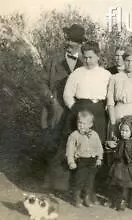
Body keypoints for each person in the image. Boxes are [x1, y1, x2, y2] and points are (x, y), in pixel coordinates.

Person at [41, 23, 86, 191]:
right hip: (56, 110)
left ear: (80, 43)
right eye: (67, 39)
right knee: (53, 145)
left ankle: (67, 186)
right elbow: (41, 84)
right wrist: (51, 99)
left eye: (72, 40)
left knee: (72, 146)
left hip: (75, 111)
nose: (68, 42)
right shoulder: (53, 60)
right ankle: (49, 184)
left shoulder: (85, 62)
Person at [63, 40, 111, 143]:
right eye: (85, 57)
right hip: (80, 111)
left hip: (98, 113)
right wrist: (76, 109)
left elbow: (110, 97)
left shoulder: (106, 75)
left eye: (90, 57)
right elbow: (67, 94)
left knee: (96, 143)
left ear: (98, 56)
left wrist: (104, 109)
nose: (87, 60)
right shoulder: (77, 73)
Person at [66, 110, 103, 207]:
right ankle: (76, 197)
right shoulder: (74, 135)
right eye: (79, 123)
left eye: (84, 123)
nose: (81, 125)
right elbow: (70, 150)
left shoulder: (94, 134)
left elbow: (99, 147)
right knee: (79, 180)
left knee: (90, 180)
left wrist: (99, 158)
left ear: (90, 124)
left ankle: (86, 197)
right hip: (81, 161)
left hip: (92, 161)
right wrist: (71, 161)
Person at [107, 115, 132, 211]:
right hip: (118, 166)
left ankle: (123, 201)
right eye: (122, 130)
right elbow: (112, 148)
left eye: (126, 131)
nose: (123, 133)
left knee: (125, 186)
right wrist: (109, 144)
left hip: (128, 168)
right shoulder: (118, 142)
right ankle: (115, 201)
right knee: (116, 184)